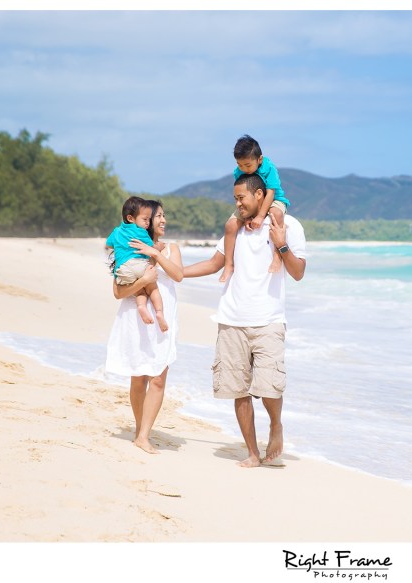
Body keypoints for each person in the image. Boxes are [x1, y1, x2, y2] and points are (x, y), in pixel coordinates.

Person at [184, 173, 307, 467]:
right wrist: (175, 272)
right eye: (235, 198)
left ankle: (275, 425)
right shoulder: (235, 228)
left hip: (269, 321)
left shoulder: (288, 226)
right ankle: (252, 452)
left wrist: (281, 246)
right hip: (231, 319)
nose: (237, 204)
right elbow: (216, 263)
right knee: (238, 390)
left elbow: (299, 272)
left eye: (242, 198)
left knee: (269, 388)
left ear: (260, 196)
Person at [105, 200, 184, 454]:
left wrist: (156, 255)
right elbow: (118, 292)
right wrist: (146, 280)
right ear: (142, 220)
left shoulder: (170, 248)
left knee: (158, 379)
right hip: (136, 319)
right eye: (154, 217)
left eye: (162, 215)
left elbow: (178, 275)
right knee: (138, 378)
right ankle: (141, 432)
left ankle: (144, 434)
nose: (160, 220)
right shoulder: (129, 248)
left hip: (162, 321)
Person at [219, 135, 291, 283]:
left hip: (274, 200)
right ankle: (228, 265)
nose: (244, 169)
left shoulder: (269, 168)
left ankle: (277, 257)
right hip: (252, 204)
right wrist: (247, 217)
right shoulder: (238, 172)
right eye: (240, 165)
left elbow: (270, 192)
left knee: (276, 214)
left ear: (259, 159)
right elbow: (243, 196)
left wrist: (259, 216)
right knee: (230, 225)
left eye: (248, 165)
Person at [106, 196, 169, 332]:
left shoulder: (117, 231)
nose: (147, 223)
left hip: (123, 268)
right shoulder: (142, 233)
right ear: (131, 218)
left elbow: (108, 244)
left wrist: (120, 246)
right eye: (146, 219)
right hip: (140, 265)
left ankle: (141, 306)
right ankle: (159, 312)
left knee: (140, 290)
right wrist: (157, 250)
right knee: (152, 289)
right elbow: (117, 294)